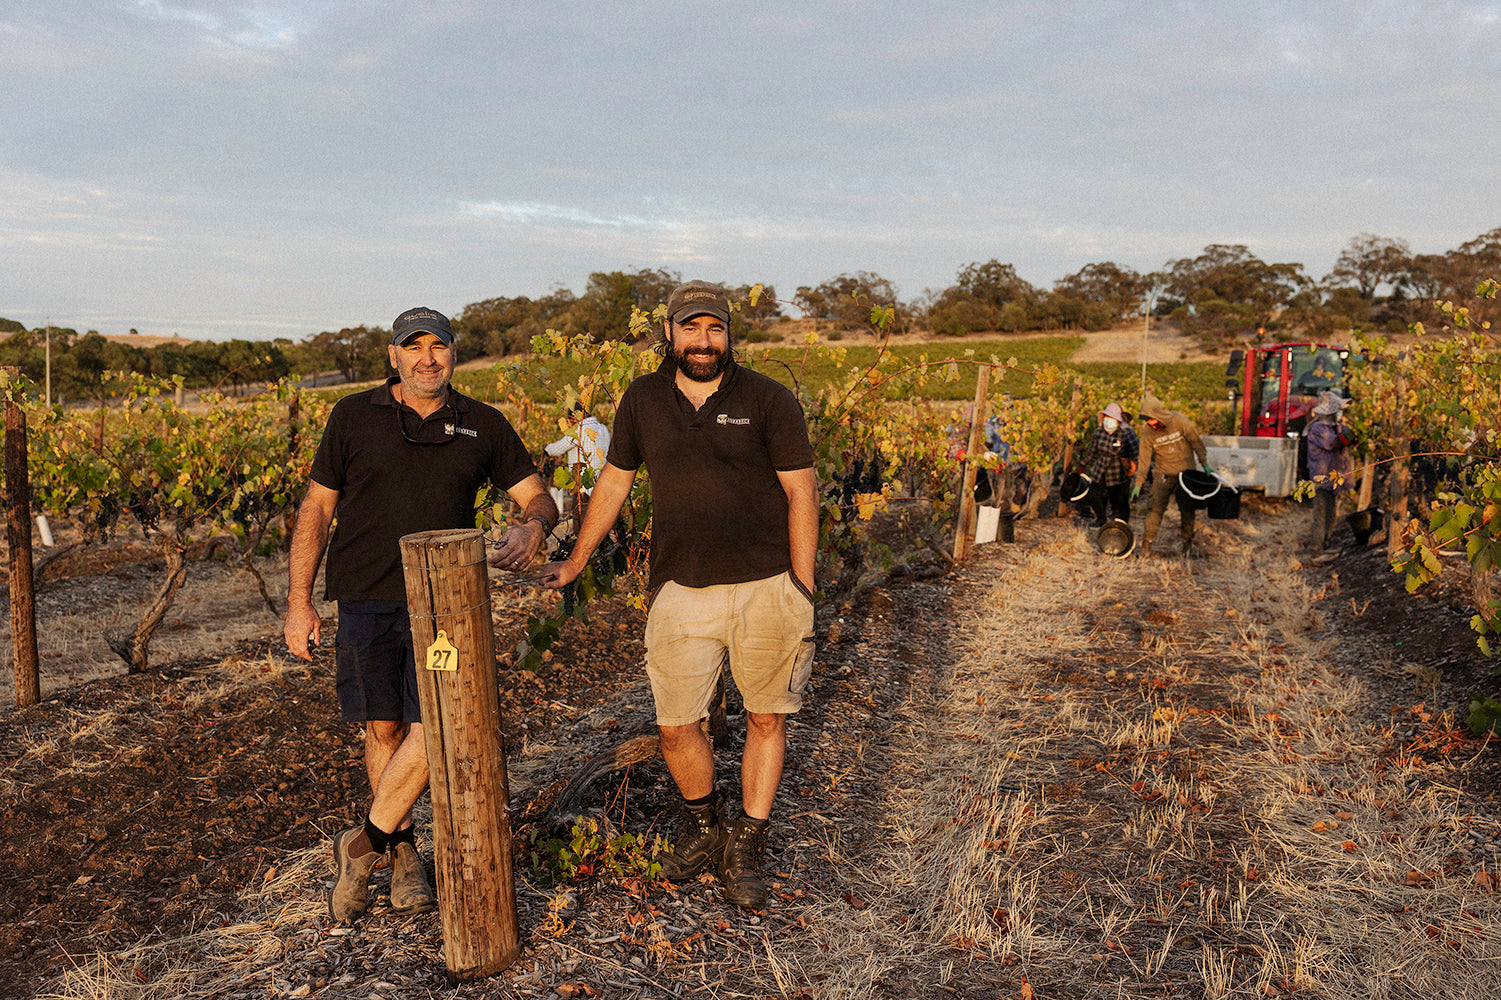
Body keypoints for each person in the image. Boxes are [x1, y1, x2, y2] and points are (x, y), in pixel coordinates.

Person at [539, 280, 818, 912]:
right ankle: (704, 829)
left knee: (765, 717)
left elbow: (803, 491)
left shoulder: (769, 399)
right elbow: (613, 482)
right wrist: (575, 560)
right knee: (675, 726)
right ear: (669, 333)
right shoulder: (641, 400)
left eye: (714, 329)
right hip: (679, 589)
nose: (703, 341)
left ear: (728, 335)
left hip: (767, 585)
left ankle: (746, 844)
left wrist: (802, 587)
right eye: (691, 328)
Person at [284, 306, 557, 923]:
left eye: (440, 346)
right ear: (393, 356)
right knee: (381, 729)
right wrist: (299, 600)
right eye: (415, 347)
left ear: (454, 354)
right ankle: (403, 851)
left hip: (445, 609)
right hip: (366, 596)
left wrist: (535, 527)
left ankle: (364, 843)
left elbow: (538, 497)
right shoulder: (352, 416)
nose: (428, 358)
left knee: (436, 725)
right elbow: (317, 511)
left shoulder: (481, 425)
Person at [1130, 393, 1214, 557]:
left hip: (1186, 474)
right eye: (1146, 419)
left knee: (1187, 510)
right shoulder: (1148, 432)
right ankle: (1147, 544)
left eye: (1150, 418)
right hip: (1163, 475)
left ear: (1158, 414)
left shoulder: (1179, 421)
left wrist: (1204, 463)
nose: (1148, 422)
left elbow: (1196, 442)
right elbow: (1144, 459)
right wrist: (1138, 484)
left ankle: (1187, 544)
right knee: (1155, 509)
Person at [1305, 390, 1354, 551]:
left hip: (1333, 478)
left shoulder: (1335, 426)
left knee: (1331, 515)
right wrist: (1350, 436)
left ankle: (1325, 544)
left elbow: (1345, 435)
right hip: (1322, 478)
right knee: (1321, 516)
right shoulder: (1319, 429)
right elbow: (1333, 442)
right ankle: (1316, 549)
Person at [1076, 402, 1136, 525]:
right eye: (1107, 418)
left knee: (1121, 500)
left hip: (1118, 470)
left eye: (1112, 419)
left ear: (1118, 421)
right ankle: (1101, 518)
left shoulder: (1125, 434)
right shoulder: (1098, 432)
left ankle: (1122, 524)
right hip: (1101, 468)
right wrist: (1082, 465)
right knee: (1093, 494)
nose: (1109, 421)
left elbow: (1135, 453)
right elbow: (1092, 453)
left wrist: (1133, 468)